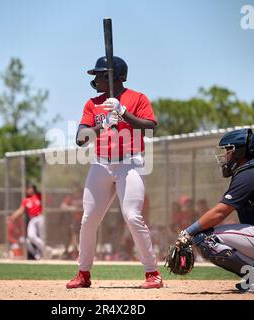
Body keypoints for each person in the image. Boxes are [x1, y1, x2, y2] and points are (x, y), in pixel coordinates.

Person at [66, 56, 162, 289]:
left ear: (115, 76)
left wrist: (123, 113)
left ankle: (152, 273)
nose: (95, 79)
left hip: (130, 162)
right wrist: (103, 125)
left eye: (100, 74)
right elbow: (80, 139)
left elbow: (150, 128)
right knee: (89, 219)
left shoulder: (137, 98)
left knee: (132, 215)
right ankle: (83, 273)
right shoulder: (93, 103)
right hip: (101, 164)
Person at [176, 128, 254, 293]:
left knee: (204, 238)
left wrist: (187, 233)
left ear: (241, 151)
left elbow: (220, 212)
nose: (226, 155)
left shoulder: (250, 173)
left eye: (229, 149)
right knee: (213, 235)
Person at [9, 184, 52, 260]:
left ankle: (41, 254)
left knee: (42, 237)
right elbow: (21, 210)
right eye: (27, 189)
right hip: (32, 219)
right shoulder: (26, 200)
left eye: (29, 188)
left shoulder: (39, 195)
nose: (27, 190)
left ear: (33, 189)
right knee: (31, 236)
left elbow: (49, 202)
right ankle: (44, 250)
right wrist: (12, 217)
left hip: (41, 217)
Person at [60, 184, 84, 259]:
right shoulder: (70, 197)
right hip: (75, 220)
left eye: (77, 190)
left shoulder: (84, 196)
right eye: (74, 190)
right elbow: (62, 206)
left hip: (85, 219)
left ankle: (85, 253)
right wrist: (71, 208)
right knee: (74, 236)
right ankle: (75, 252)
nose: (76, 192)